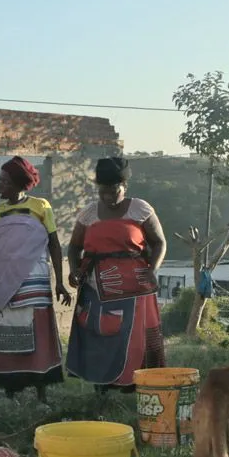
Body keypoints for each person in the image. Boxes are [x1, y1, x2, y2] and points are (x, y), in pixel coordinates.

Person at [65, 156, 168, 390]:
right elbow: (74, 247)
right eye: (103, 190)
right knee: (98, 332)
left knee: (134, 337)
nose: (108, 195)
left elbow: (160, 243)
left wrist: (153, 269)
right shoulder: (88, 213)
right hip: (95, 286)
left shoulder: (140, 209)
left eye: (113, 190)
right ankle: (101, 385)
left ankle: (135, 384)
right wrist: (74, 270)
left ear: (124, 186)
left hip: (135, 286)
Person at [0, 156, 70, 402]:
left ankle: (41, 391)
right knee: (8, 328)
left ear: (19, 185)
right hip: (4, 280)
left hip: (34, 279)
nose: (0, 185)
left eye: (5, 181)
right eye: (0, 180)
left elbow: (54, 244)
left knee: (36, 330)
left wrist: (59, 282)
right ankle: (10, 390)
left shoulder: (41, 206)